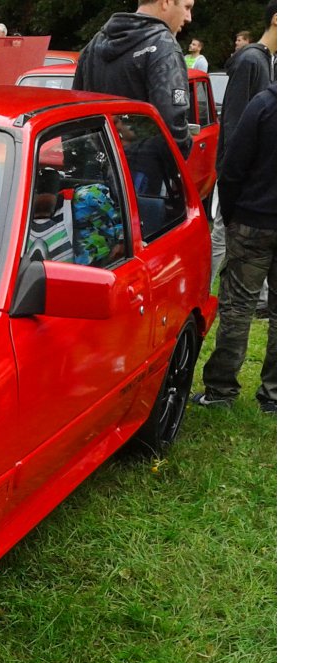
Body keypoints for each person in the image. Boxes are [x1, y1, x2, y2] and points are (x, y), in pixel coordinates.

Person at [193, 83, 276, 414]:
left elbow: (232, 166)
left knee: (238, 307)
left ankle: (221, 389)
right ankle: (274, 395)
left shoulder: (264, 105)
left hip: (252, 222)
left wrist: (228, 215)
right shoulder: (264, 104)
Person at [73, 0, 194, 159]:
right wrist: (184, 149)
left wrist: (76, 161)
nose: (189, 17)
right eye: (187, 7)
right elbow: (173, 121)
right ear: (166, 2)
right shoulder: (163, 46)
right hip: (141, 170)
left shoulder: (94, 44)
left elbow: (75, 113)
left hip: (95, 167)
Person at [210, 2, 276, 294]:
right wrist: (232, 174)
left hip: (254, 174)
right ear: (278, 20)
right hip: (237, 173)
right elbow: (234, 122)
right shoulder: (251, 60)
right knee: (223, 233)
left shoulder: (267, 60)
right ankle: (204, 291)